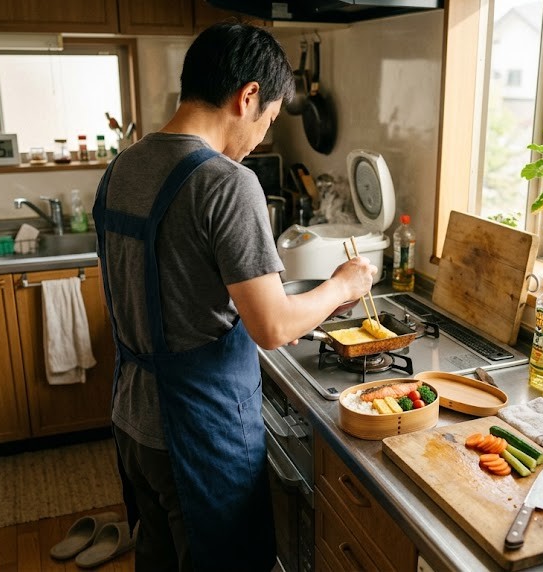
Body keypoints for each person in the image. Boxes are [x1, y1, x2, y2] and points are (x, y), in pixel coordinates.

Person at [92, 22, 377, 572]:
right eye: (268, 120)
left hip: (133, 421)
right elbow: (273, 327)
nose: (263, 139)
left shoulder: (123, 166)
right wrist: (343, 285)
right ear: (248, 96)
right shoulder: (226, 182)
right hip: (199, 432)